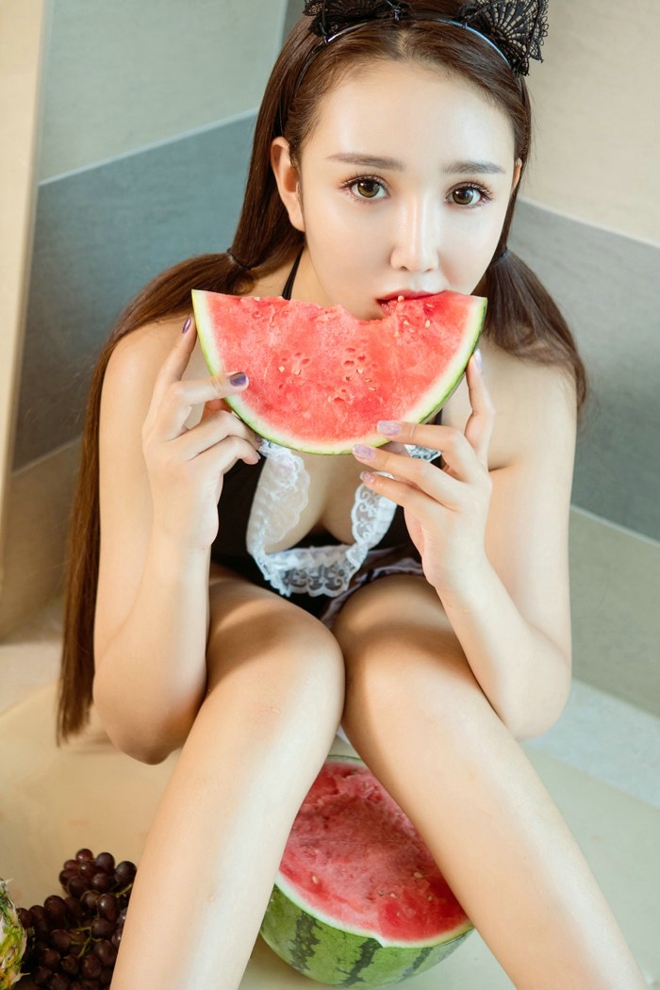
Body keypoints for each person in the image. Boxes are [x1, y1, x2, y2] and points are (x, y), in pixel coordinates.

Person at [56, 1, 648, 987]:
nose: (418, 247)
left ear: (512, 189)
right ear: (290, 179)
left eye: (467, 193)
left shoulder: (526, 388)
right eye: (368, 185)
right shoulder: (172, 364)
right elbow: (140, 727)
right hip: (238, 675)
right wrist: (178, 536)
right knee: (290, 664)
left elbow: (531, 699)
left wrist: (461, 567)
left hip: (412, 668)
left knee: (403, 663)